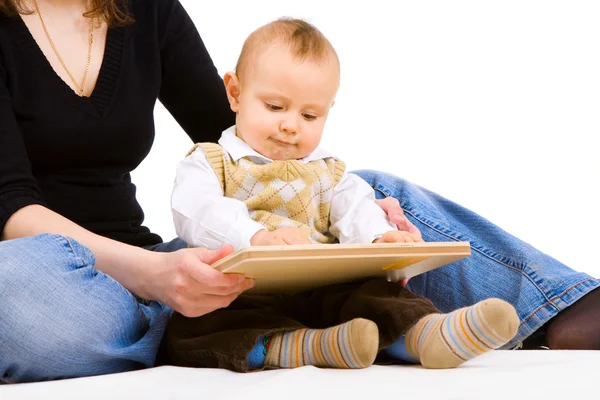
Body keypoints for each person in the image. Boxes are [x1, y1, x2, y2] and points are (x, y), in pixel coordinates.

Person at [0, 0, 597, 384]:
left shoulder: (145, 8)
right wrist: (151, 279)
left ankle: (562, 310)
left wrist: (357, 223)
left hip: (169, 263)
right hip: (62, 271)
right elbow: (11, 206)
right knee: (13, 283)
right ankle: (196, 326)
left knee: (365, 189)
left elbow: (244, 140)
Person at [162, 17, 521, 372]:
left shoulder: (329, 172)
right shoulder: (210, 161)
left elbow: (356, 208)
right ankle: (311, 347)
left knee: (376, 295)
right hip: (242, 291)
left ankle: (426, 333)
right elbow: (198, 209)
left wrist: (381, 237)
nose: (290, 125)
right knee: (194, 323)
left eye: (309, 115)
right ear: (236, 93)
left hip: (321, 286)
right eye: (275, 107)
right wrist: (255, 237)